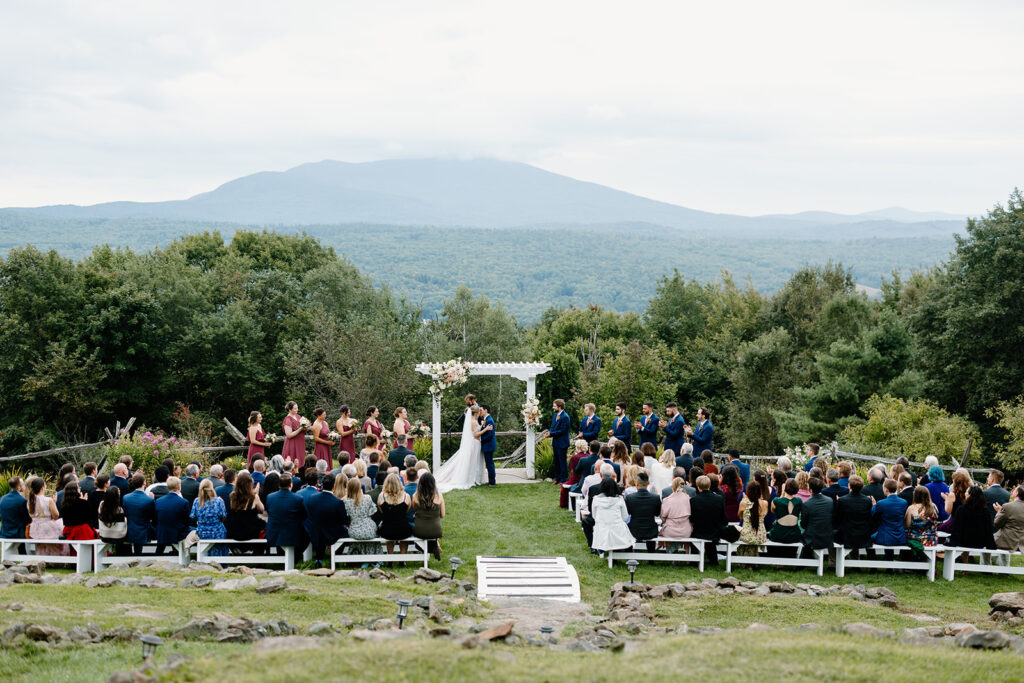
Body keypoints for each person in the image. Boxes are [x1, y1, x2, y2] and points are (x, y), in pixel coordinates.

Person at [435, 404, 485, 493]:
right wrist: (485, 429)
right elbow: (475, 434)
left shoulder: (473, 420)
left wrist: (481, 426)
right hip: (474, 443)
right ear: (476, 413)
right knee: (471, 461)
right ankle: (469, 478)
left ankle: (472, 477)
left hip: (475, 443)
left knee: (472, 461)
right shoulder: (473, 421)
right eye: (478, 412)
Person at [304, 473, 349, 566]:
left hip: (315, 531)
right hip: (332, 534)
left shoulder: (312, 498)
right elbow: (344, 520)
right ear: (334, 486)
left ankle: (318, 559)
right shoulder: (338, 502)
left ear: (322, 485)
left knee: (321, 530)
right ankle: (337, 555)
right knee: (345, 531)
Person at [265, 474, 308, 556]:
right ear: (291, 484)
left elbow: (269, 511)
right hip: (291, 533)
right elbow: (304, 515)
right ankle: (297, 555)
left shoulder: (270, 497)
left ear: (279, 484)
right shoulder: (298, 498)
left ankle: (286, 554)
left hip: (274, 532)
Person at [591, 478, 634, 556]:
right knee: (625, 531)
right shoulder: (620, 499)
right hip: (617, 530)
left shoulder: (596, 500)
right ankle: (629, 556)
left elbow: (594, 516)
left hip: (602, 529)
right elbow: (625, 517)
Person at [690, 475, 728, 564]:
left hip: (699, 531)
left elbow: (692, 518)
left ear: (698, 487)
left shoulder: (694, 500)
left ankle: (694, 560)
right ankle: (713, 559)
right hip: (714, 531)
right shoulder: (719, 498)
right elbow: (724, 519)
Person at [344, 476, 381, 560]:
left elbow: (346, 517)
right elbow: (372, 512)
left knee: (358, 536)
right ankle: (372, 557)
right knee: (371, 534)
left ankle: (358, 556)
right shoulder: (367, 498)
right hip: (369, 528)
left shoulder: (345, 501)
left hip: (354, 529)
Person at [412, 471, 445, 560]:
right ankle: (435, 545)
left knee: (423, 530)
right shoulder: (439, 496)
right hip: (436, 530)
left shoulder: (415, 496)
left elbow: (415, 510)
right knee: (430, 530)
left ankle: (433, 547)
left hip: (419, 530)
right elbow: (442, 515)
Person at [950, 485, 996, 549]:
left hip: (963, 542)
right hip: (980, 543)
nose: (965, 493)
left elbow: (957, 528)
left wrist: (953, 542)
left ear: (969, 495)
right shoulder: (985, 511)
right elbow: (989, 530)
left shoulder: (961, 509)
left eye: (966, 492)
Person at [153, 476, 191, 555]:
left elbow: (156, 518)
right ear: (179, 487)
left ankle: (158, 554)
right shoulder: (184, 502)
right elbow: (186, 521)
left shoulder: (158, 501)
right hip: (178, 533)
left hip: (162, 532)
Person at [378, 473, 413, 554]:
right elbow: (407, 511)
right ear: (399, 483)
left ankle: (390, 557)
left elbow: (382, 511)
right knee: (405, 534)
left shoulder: (381, 496)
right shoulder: (406, 496)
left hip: (386, 530)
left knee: (389, 535)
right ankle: (402, 559)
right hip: (403, 529)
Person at [834, 475, 872, 549]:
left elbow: (838, 518)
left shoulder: (842, 500)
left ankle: (833, 560)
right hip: (863, 535)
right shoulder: (867, 501)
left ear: (849, 486)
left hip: (847, 535)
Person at [625, 471, 660, 551]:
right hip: (650, 529)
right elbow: (657, 513)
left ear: (636, 484)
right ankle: (651, 557)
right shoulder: (655, 498)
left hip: (634, 529)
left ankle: (629, 554)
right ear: (648, 483)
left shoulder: (630, 498)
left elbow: (628, 513)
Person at [190, 480, 227, 556]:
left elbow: (193, 517)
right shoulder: (219, 501)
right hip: (217, 532)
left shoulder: (197, 501)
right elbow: (223, 516)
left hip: (202, 532)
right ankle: (221, 561)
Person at [227, 471, 266, 541]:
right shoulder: (254, 497)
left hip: (235, 530)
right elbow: (262, 510)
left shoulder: (233, 495)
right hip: (250, 531)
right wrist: (257, 494)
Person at [800, 477, 834, 556]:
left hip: (813, 537)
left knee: (803, 535)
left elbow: (803, 524)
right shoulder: (829, 501)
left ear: (811, 490)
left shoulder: (806, 504)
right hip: (827, 534)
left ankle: (802, 562)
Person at [122, 474, 155, 554]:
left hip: (129, 530)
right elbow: (152, 516)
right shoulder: (149, 500)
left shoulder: (126, 498)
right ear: (144, 483)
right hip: (144, 532)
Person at [872, 478, 908, 546]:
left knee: (868, 539)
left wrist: (874, 505)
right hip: (900, 537)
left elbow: (873, 515)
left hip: (885, 537)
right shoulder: (904, 502)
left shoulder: (881, 503)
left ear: (886, 489)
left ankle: (872, 557)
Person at [543, 399, 571, 484]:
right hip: (556, 442)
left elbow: (562, 431)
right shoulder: (555, 415)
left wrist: (551, 433)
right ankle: (557, 478)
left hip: (562, 442)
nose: (553, 407)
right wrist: (549, 433)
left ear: (560, 407)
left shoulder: (565, 417)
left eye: (554, 406)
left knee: (562, 461)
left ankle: (563, 479)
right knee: (556, 461)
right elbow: (553, 427)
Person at [768, 479, 803, 544]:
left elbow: (773, 511)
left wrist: (782, 493)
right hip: (794, 535)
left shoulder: (776, 501)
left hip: (778, 534)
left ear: (785, 488)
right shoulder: (799, 501)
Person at [904, 485, 939, 551]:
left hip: (917, 539)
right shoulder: (934, 507)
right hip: (932, 540)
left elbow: (907, 525)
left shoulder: (911, 508)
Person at [0, 477, 32, 545]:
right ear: (18, 487)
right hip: (18, 534)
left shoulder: (2, 499)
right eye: (23, 484)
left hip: (4, 533)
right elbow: (27, 519)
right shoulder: (22, 501)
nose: (24, 486)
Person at [96, 487, 128, 553]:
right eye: (118, 492)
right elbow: (121, 526)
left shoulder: (101, 505)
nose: (120, 493)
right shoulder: (119, 510)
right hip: (118, 537)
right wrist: (125, 520)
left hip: (104, 536)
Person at [737, 480, 768, 548]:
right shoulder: (765, 503)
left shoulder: (743, 503)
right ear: (760, 491)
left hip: (747, 536)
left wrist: (745, 500)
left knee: (735, 527)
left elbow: (740, 516)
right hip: (761, 535)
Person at [993, 486, 1024, 552]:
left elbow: (997, 523)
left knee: (987, 541)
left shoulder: (1007, 506)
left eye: (1014, 491)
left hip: (1007, 542)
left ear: (1017, 493)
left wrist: (999, 512)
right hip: (1021, 544)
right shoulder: (1008, 507)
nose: (1012, 492)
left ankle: (986, 562)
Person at [476, 404, 498, 487]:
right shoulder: (485, 419)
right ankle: (490, 481)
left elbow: (490, 435)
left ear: (486, 410)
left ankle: (492, 482)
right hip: (487, 445)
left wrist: (480, 439)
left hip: (489, 446)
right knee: (489, 464)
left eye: (481, 410)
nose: (480, 412)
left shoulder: (489, 421)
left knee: (490, 464)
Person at [281, 401, 308, 469]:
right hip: (292, 443)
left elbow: (303, 430)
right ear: (290, 410)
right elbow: (289, 435)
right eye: (295, 408)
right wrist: (300, 429)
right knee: (293, 461)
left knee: (301, 461)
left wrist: (306, 427)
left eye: (297, 408)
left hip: (300, 442)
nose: (297, 410)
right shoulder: (288, 419)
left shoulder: (298, 416)